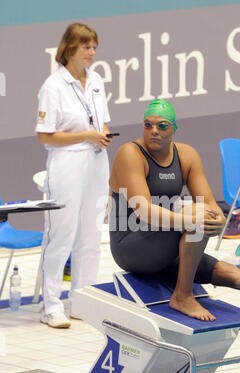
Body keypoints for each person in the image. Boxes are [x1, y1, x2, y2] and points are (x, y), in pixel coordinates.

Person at [109, 99, 240, 321]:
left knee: (237, 278)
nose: (154, 131)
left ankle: (175, 276)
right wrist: (193, 221)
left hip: (165, 249)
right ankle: (183, 296)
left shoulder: (187, 156)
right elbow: (144, 211)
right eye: (148, 125)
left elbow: (210, 204)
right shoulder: (130, 154)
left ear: (174, 128)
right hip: (131, 245)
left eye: (162, 125)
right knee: (197, 216)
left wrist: (219, 221)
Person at [35, 23, 113, 328]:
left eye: (94, 47)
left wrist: (102, 135)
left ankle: (83, 301)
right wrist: (86, 136)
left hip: (96, 161)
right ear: (69, 49)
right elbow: (45, 136)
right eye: (86, 47)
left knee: (91, 235)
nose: (92, 53)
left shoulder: (96, 80)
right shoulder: (53, 86)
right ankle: (51, 306)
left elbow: (103, 122)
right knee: (61, 235)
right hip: (67, 163)